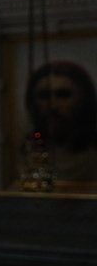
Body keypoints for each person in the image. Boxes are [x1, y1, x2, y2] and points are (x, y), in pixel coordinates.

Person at [23, 59, 97, 187]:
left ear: (83, 100)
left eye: (63, 95)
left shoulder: (92, 155)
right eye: (44, 96)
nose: (53, 105)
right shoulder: (25, 153)